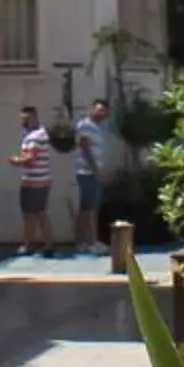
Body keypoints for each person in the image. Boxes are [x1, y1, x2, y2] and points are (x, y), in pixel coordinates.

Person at [9, 104, 55, 255]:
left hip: (34, 181)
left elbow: (31, 158)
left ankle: (29, 245)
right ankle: (45, 244)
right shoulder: (38, 134)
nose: (24, 121)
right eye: (22, 119)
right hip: (40, 180)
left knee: (31, 214)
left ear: (34, 117)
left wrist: (16, 160)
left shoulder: (36, 136)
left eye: (26, 118)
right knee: (39, 213)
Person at [72, 95, 111, 254]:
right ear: (92, 109)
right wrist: (96, 170)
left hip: (92, 172)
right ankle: (87, 242)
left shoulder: (96, 127)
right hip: (87, 172)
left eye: (105, 111)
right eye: (100, 110)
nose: (102, 114)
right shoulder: (85, 125)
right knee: (89, 208)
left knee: (89, 208)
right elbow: (85, 147)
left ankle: (88, 241)